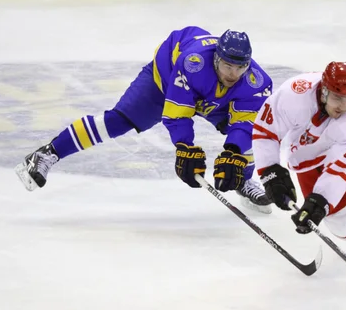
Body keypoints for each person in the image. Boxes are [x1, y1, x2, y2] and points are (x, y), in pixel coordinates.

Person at [15, 26, 273, 213]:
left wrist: (233, 152)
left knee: (255, 132)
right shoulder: (192, 63)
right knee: (118, 121)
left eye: (240, 67)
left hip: (210, 94)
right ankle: (48, 153)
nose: (234, 74)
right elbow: (177, 114)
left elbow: (246, 124)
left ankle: (245, 179)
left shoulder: (255, 82)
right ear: (216, 58)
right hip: (165, 80)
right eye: (228, 66)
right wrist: (185, 146)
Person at [252, 61, 346, 278]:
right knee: (340, 224)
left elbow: (341, 168)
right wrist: (270, 172)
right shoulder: (294, 95)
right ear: (324, 91)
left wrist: (320, 201)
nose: (344, 106)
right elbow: (266, 131)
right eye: (337, 98)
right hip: (309, 152)